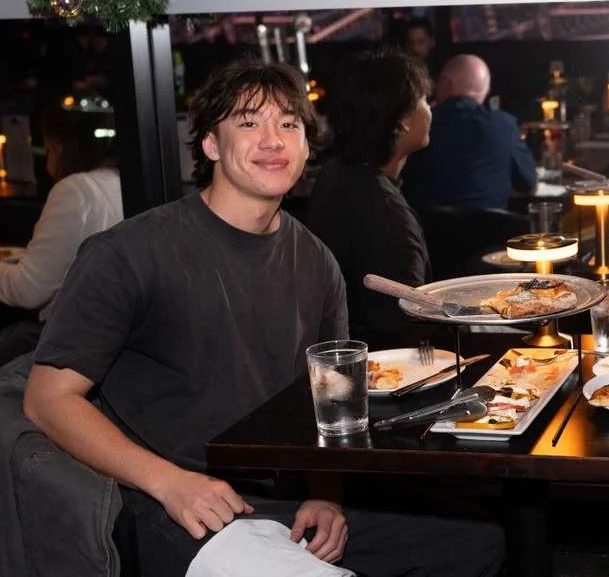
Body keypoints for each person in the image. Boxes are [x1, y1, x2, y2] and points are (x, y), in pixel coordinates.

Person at [22, 58, 504, 577]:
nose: (273, 140)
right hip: (175, 502)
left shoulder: (317, 262)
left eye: (289, 125)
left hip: (283, 497)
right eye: (249, 123)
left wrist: (327, 495)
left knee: (478, 542)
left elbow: (329, 403)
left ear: (306, 145)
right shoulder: (130, 253)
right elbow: (47, 399)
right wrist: (167, 483)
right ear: (210, 144)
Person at [306, 49, 434, 345]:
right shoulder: (385, 210)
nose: (430, 110)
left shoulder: (336, 174)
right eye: (424, 100)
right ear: (402, 121)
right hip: (386, 366)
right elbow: (409, 320)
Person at [0, 104, 122, 365]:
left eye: (48, 148)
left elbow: (27, 290)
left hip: (74, 343)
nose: (47, 163)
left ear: (61, 146)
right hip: (112, 335)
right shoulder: (120, 181)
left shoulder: (76, 189)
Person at [401, 54, 537, 210]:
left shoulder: (417, 123)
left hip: (425, 232)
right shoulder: (505, 126)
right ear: (484, 91)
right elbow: (528, 184)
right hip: (492, 233)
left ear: (446, 83)